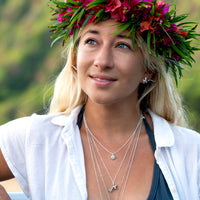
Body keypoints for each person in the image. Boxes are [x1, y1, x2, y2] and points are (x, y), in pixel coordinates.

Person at [0, 0, 200, 199]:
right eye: (91, 41)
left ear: (148, 69)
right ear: (75, 57)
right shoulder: (36, 138)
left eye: (122, 45)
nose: (102, 61)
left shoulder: (192, 153)